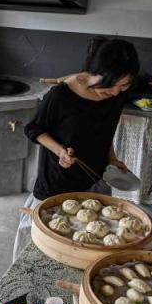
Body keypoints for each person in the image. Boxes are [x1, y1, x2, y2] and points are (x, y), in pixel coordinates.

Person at [12, 37, 140, 259]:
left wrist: (112, 158)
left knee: (90, 247)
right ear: (95, 72)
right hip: (56, 182)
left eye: (123, 87)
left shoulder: (115, 98)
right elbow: (34, 129)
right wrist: (59, 151)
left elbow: (105, 134)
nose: (116, 92)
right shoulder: (61, 96)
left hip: (95, 182)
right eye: (111, 84)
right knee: (42, 247)